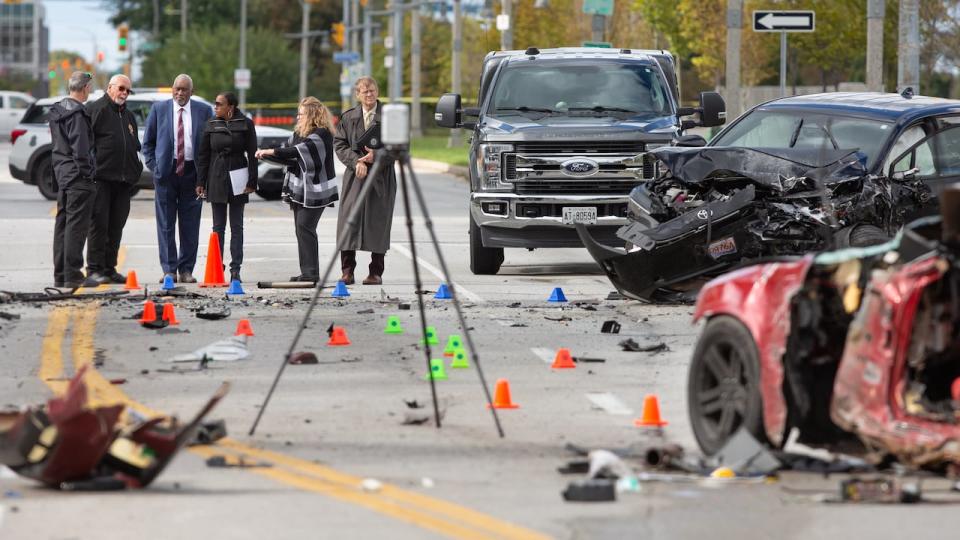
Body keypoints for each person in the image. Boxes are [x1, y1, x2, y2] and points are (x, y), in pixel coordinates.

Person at [256, 97, 338, 283]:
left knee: (305, 226)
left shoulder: (322, 134)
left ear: (312, 115)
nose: (298, 117)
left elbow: (298, 151)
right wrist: (264, 156)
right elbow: (288, 155)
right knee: (301, 229)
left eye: (301, 114)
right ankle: (307, 272)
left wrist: (270, 151)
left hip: (317, 189)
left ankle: (311, 273)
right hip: (299, 189)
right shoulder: (298, 133)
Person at [142, 74, 214, 284]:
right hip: (166, 173)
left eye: (184, 89)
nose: (179, 93)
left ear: (192, 91)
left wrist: (205, 174)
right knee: (165, 224)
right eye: (176, 89)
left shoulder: (203, 110)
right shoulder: (159, 109)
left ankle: (186, 270)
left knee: (190, 224)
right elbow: (148, 144)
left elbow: (209, 144)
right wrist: (155, 168)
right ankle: (169, 270)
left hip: (193, 174)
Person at [333, 76, 397, 285]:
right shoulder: (349, 117)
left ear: (377, 91)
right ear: (358, 95)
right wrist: (356, 161)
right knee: (348, 221)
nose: (369, 94)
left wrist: (376, 156)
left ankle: (375, 272)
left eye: (372, 90)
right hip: (355, 176)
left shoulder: (390, 116)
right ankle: (347, 271)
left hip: (381, 176)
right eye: (365, 91)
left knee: (379, 222)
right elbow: (340, 145)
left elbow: (399, 146)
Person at [85, 74, 144, 284]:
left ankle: (109, 268)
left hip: (123, 181)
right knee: (99, 225)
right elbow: (85, 143)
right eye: (121, 88)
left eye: (128, 91)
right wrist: (91, 171)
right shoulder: (96, 110)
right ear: (110, 88)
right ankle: (94, 269)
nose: (124, 93)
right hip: (101, 179)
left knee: (116, 226)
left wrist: (136, 169)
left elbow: (135, 145)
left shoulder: (128, 116)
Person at [196, 92, 257, 283]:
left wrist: (252, 181)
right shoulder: (211, 124)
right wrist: (200, 182)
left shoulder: (246, 124)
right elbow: (203, 156)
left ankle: (235, 269)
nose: (215, 107)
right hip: (216, 176)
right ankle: (217, 265)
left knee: (237, 226)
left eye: (219, 104)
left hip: (239, 176)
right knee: (218, 227)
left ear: (230, 107)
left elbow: (253, 153)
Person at [50, 71, 98, 288]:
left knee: (63, 225)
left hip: (62, 175)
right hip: (78, 177)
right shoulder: (78, 113)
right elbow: (81, 149)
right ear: (85, 88)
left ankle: (60, 274)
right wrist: (88, 172)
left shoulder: (58, 109)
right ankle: (73, 274)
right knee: (76, 227)